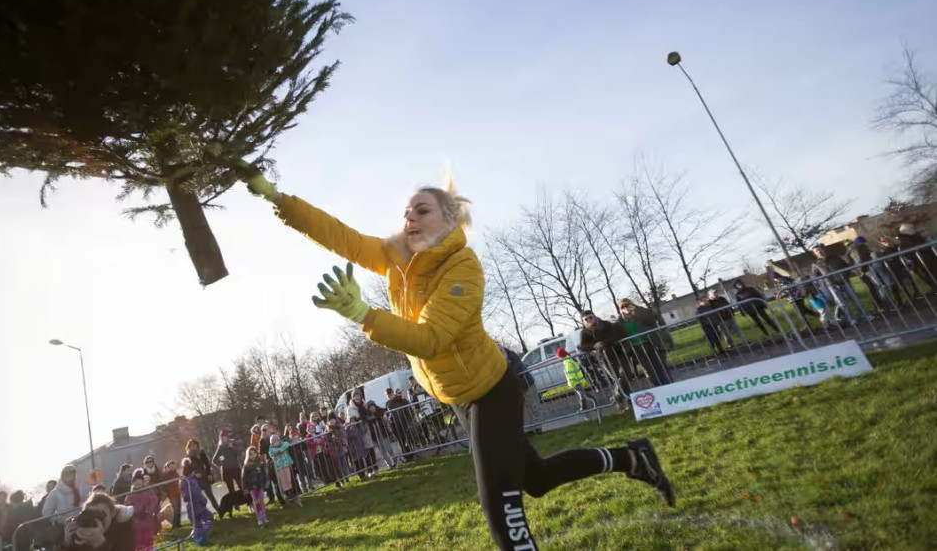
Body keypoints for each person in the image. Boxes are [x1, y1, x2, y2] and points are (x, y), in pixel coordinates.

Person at [240, 167, 675, 550]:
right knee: (538, 479)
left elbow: (432, 339)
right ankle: (633, 458)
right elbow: (341, 237)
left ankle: (632, 459)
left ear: (449, 220)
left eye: (421, 210)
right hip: (458, 396)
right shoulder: (396, 257)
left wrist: (364, 315)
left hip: (491, 392)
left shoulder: (463, 267)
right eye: (406, 211)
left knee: (499, 510)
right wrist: (277, 198)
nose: (409, 218)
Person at [577, 310, 633, 405]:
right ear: (583, 322)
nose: (589, 320)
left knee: (626, 376)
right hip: (604, 358)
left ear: (594, 316)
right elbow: (582, 346)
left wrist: (604, 343)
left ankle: (617, 397)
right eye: (586, 319)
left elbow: (617, 335)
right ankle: (628, 399)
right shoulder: (585, 332)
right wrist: (593, 346)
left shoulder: (606, 324)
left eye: (591, 317)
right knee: (617, 379)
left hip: (618, 353)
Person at [810, 245, 872, 325]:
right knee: (843, 304)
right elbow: (814, 275)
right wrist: (824, 281)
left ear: (823, 249)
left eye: (819, 249)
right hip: (831, 285)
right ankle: (851, 319)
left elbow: (845, 265)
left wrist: (846, 274)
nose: (819, 252)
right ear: (814, 253)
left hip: (844, 281)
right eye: (816, 251)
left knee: (855, 299)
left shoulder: (835, 256)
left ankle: (866, 315)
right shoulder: (815, 264)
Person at [618, 299, 672, 387]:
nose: (626, 308)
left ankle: (667, 383)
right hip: (636, 348)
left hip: (649, 343)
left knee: (659, 365)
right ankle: (656, 386)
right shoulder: (620, 321)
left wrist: (636, 310)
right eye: (623, 307)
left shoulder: (639, 314)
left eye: (627, 305)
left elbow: (651, 320)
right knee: (647, 368)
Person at [62, 492, 134, 551]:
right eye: (90, 514)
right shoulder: (81, 529)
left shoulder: (124, 531)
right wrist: (68, 545)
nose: (96, 520)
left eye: (100, 514)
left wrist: (100, 543)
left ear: (112, 513)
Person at [554, 347, 597, 415]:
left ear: (562, 356)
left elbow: (570, 374)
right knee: (582, 395)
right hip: (577, 381)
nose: (559, 359)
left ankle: (587, 406)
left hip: (576, 382)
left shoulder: (568, 362)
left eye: (559, 357)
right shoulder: (569, 360)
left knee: (582, 394)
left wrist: (573, 383)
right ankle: (585, 408)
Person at [123, 469, 158, 551]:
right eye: (135, 481)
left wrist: (147, 510)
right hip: (137, 524)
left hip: (148, 521)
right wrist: (138, 511)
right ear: (132, 483)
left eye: (139, 481)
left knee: (149, 540)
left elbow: (153, 502)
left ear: (142, 482)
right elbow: (128, 507)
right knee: (139, 542)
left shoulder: (148, 493)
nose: (137, 482)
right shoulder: (129, 496)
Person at [180, 458, 212, 546]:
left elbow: (187, 495)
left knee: (198, 525)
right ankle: (200, 540)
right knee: (207, 519)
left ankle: (201, 540)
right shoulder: (187, 481)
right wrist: (202, 500)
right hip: (196, 506)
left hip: (195, 506)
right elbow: (194, 493)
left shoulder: (189, 480)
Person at [184, 438, 220, 512]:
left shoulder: (202, 454)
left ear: (197, 445)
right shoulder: (187, 458)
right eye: (191, 445)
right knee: (200, 499)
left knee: (211, 496)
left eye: (195, 445)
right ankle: (204, 514)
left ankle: (219, 511)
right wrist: (194, 474)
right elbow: (185, 472)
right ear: (189, 447)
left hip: (204, 478)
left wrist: (209, 474)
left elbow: (207, 465)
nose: (194, 447)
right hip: (196, 481)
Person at [268, 433, 302, 506]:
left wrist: (281, 449)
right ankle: (287, 493)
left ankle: (291, 491)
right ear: (272, 443)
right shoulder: (271, 449)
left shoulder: (283, 444)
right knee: (283, 480)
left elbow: (287, 444)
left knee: (289, 478)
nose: (276, 442)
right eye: (274, 442)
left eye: (277, 440)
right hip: (279, 467)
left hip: (286, 465)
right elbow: (271, 453)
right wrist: (278, 450)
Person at [241, 447, 269, 527]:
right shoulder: (246, 466)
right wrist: (245, 488)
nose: (252, 455)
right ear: (248, 455)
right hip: (252, 487)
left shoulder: (260, 463)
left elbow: (264, 474)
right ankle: (259, 518)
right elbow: (243, 478)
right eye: (250, 454)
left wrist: (266, 482)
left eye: (254, 453)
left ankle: (264, 516)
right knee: (256, 502)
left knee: (261, 501)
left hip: (260, 485)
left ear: (256, 453)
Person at [212, 429, 241, 500]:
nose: (223, 438)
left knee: (241, 485)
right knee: (231, 488)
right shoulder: (220, 447)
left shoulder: (233, 443)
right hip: (226, 470)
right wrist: (222, 459)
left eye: (224, 436)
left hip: (235, 468)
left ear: (227, 437)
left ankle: (247, 501)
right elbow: (214, 460)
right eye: (222, 436)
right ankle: (235, 503)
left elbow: (239, 453)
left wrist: (233, 448)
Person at [160, 460, 182, 529]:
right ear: (167, 468)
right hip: (171, 494)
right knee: (176, 508)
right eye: (170, 467)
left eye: (173, 466)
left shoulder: (176, 473)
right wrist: (167, 492)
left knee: (179, 508)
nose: (172, 467)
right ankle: (174, 524)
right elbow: (164, 486)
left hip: (177, 492)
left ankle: (178, 523)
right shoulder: (166, 475)